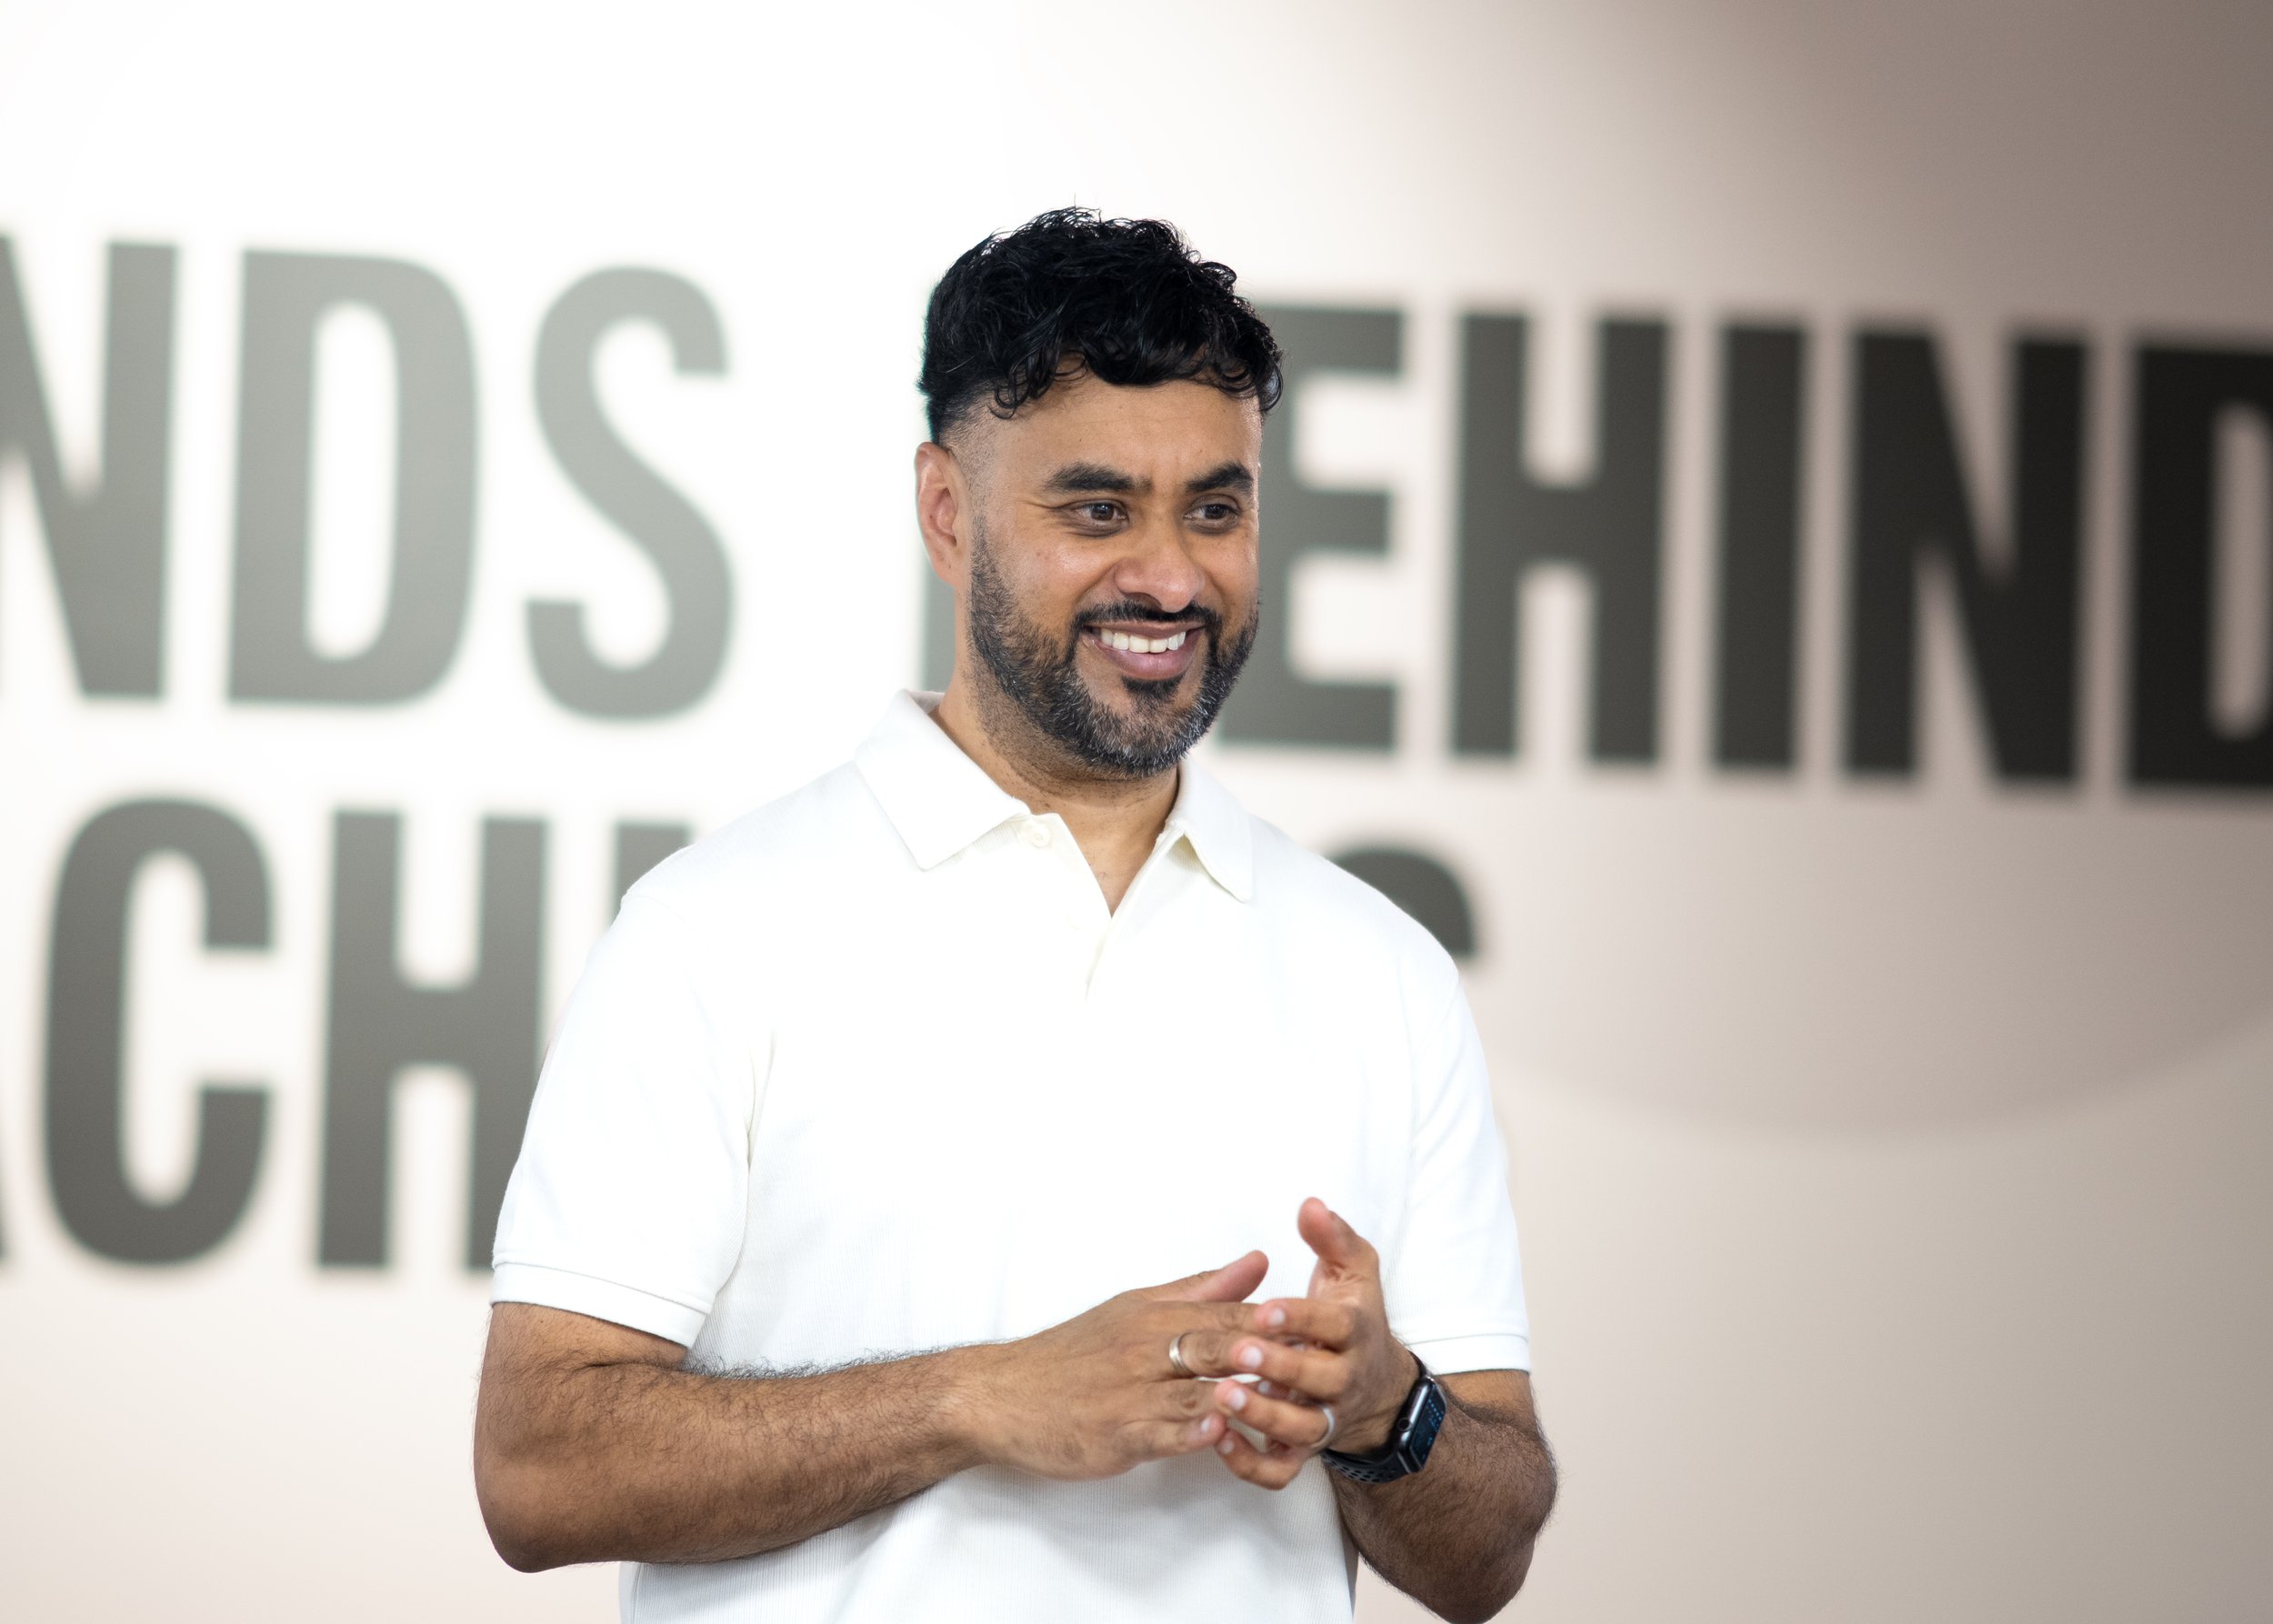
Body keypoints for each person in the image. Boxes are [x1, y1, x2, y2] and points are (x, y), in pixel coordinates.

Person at [473, 207, 1556, 1624]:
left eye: (1215, 509)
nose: (1169, 576)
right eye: (1097, 510)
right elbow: (538, 1467)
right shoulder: (714, 930)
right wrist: (982, 1398)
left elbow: (1488, 1558)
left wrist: (1384, 1408)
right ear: (948, 511)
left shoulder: (1382, 972)